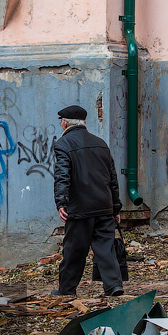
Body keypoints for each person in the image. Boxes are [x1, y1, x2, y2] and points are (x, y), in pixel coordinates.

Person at [52, 105, 124, 297]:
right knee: (105, 249)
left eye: (61, 121)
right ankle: (114, 286)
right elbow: (112, 179)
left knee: (74, 251)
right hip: (103, 205)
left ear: (65, 123)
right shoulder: (100, 143)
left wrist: (61, 203)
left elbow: (62, 176)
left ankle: (66, 290)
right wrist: (116, 207)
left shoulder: (63, 144)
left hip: (80, 207)